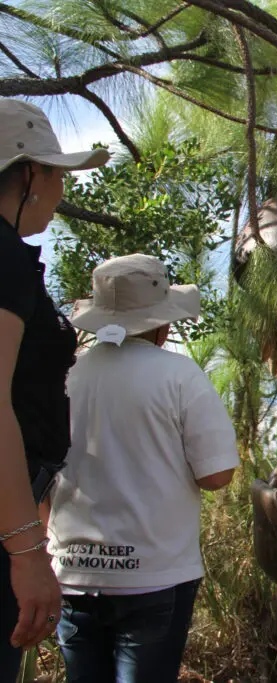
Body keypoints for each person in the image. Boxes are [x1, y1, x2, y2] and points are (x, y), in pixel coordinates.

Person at [45, 254, 240, 683]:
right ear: (162, 323)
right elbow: (216, 476)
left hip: (72, 572)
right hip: (155, 573)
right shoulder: (179, 376)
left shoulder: (63, 375)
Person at [0, 98, 110, 681]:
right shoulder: (6, 261)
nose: (60, 189)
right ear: (26, 175)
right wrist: (25, 552)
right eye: (56, 172)